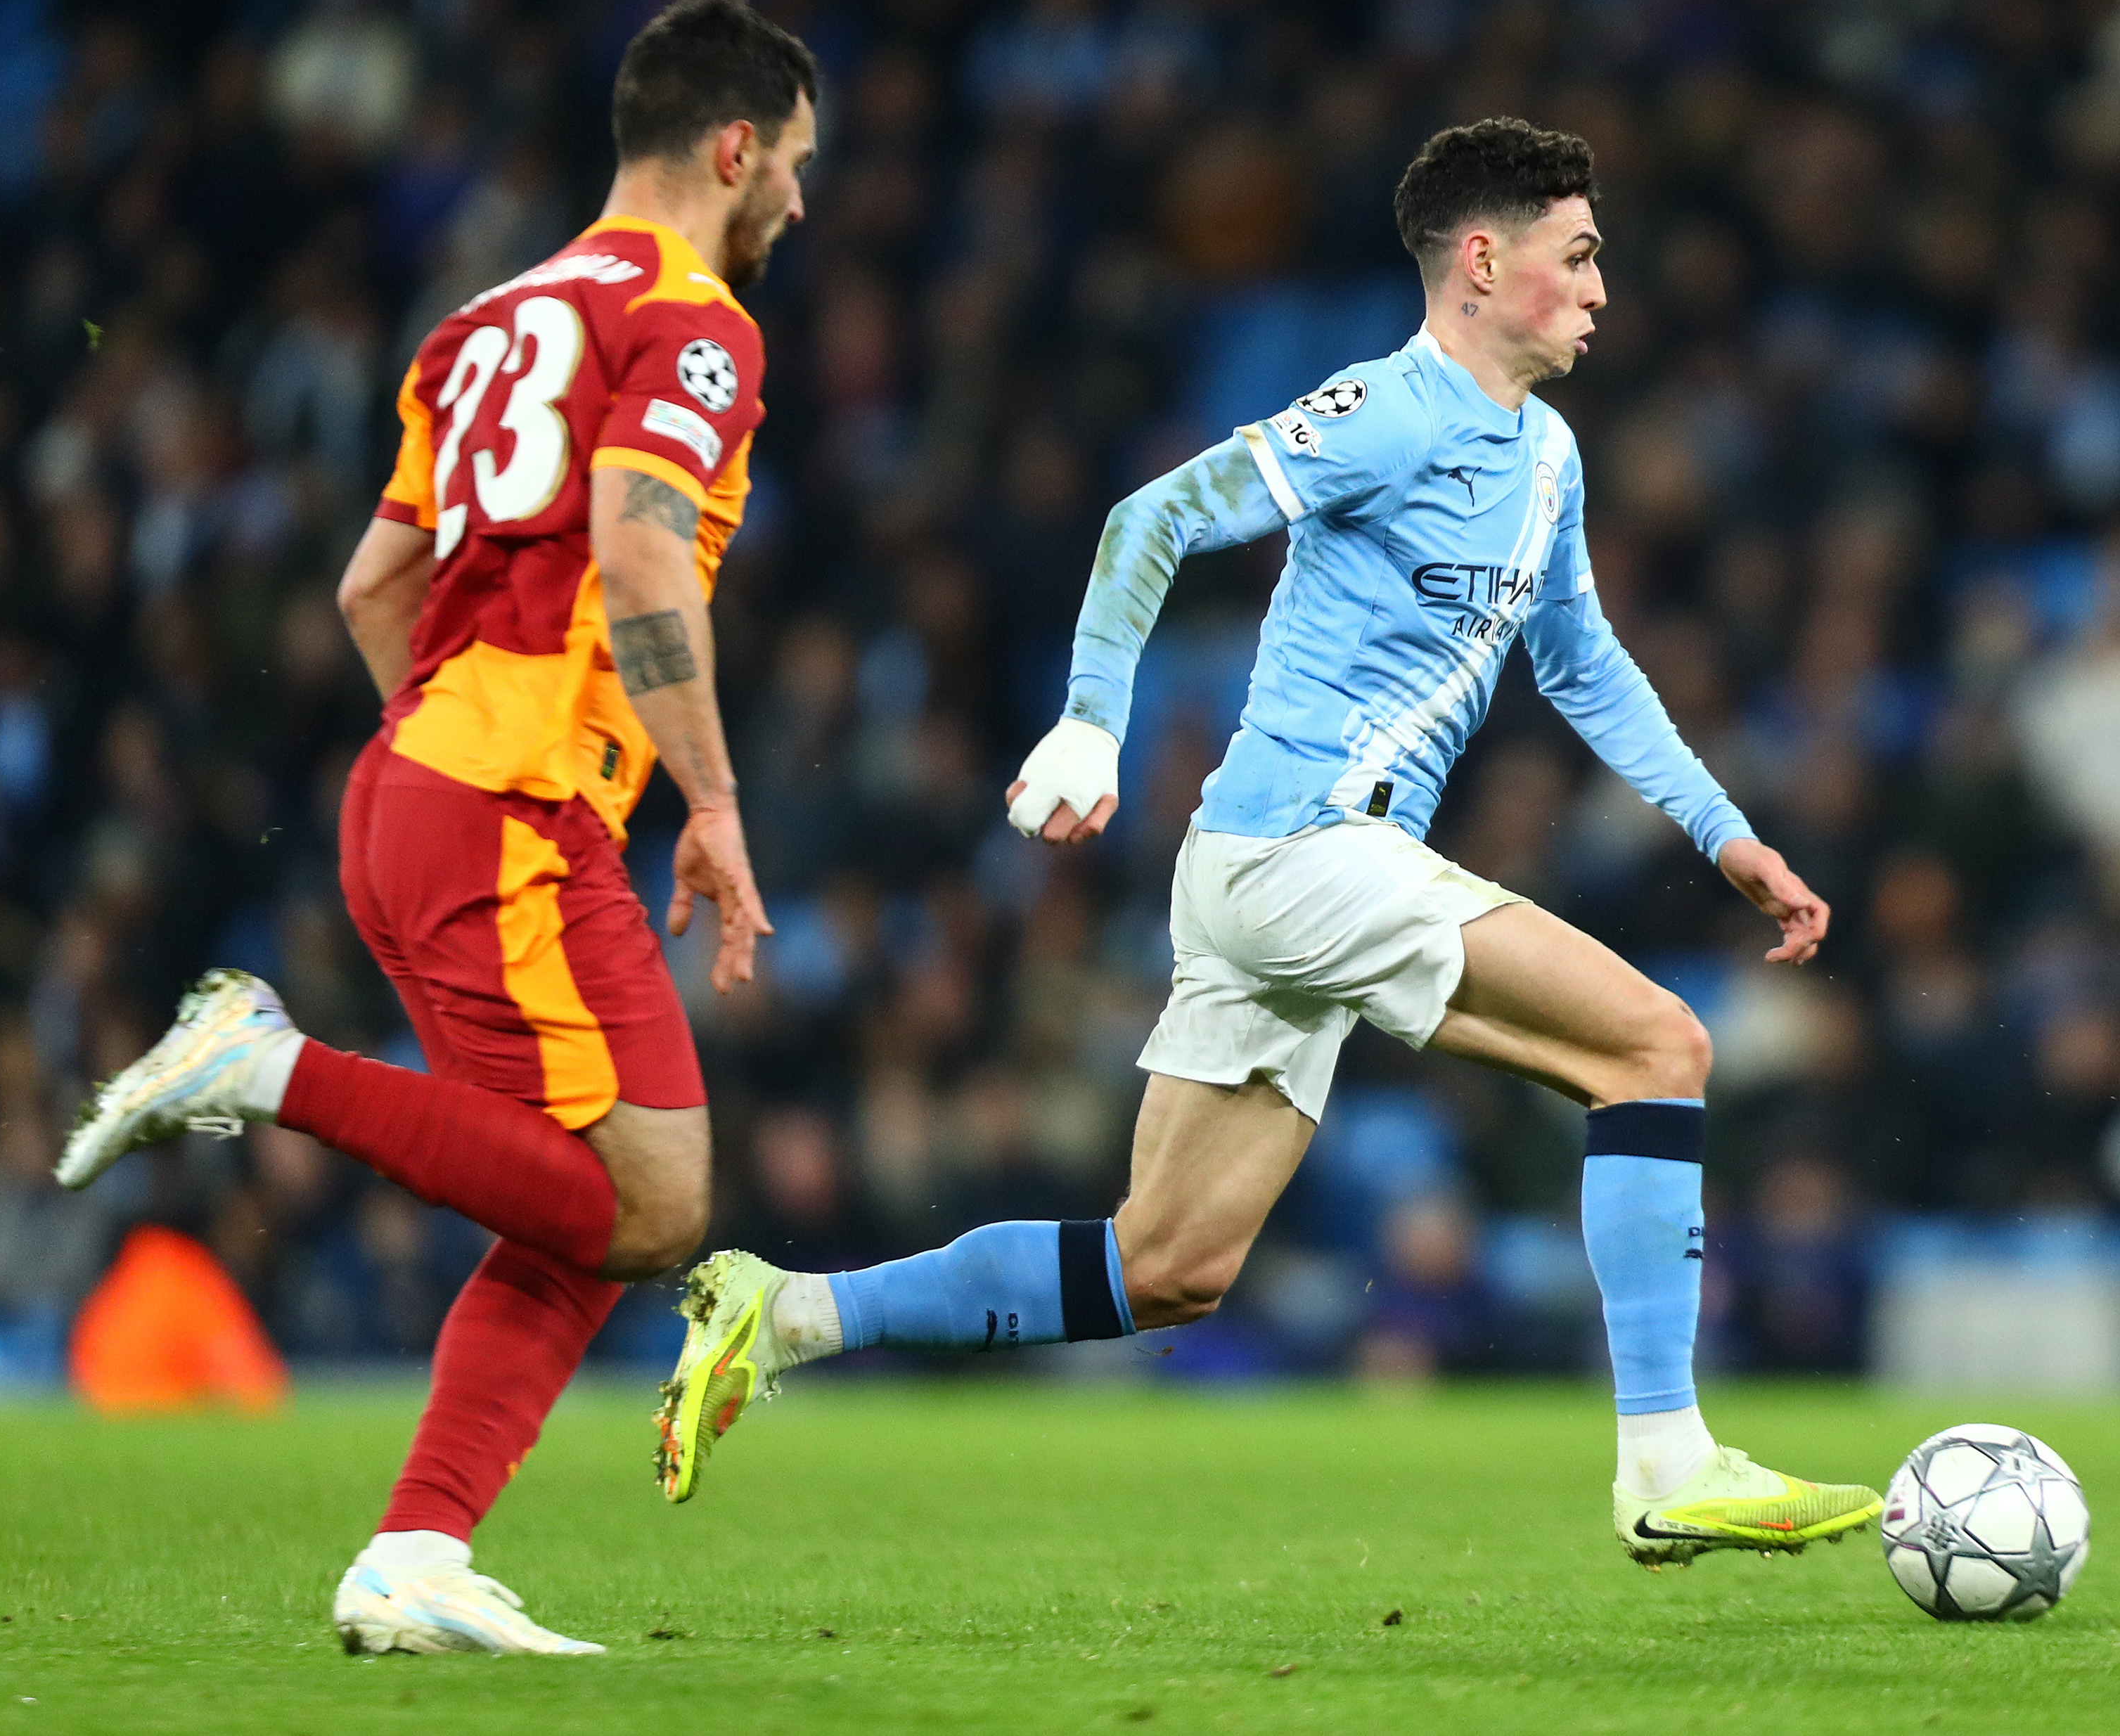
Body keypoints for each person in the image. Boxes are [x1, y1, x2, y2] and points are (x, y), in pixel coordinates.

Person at [657, 117, 1883, 1569]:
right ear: (1483, 264)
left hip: (1266, 878)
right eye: (1580, 255)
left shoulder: (1546, 456)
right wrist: (1093, 723)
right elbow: (1155, 515)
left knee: (1165, 1266)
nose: (1604, 288)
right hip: (1310, 850)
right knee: (1659, 1048)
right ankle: (1668, 1460)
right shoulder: (1388, 408)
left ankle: (786, 1308)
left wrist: (1724, 831)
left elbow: (1584, 661)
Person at [51, 0, 816, 1654]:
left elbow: (369, 584)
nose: (802, 210)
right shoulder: (696, 324)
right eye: (797, 168)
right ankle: (262, 1062)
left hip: (432, 796)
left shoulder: (476, 324)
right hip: (503, 817)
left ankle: (414, 1555)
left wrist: (450, 753)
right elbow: (632, 549)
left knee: (580, 1200)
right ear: (734, 147)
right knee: (656, 1201)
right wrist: (711, 802)